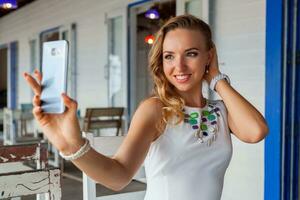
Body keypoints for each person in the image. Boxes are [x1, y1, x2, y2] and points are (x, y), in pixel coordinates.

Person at [23, 14, 268, 200]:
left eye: (191, 54)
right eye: (169, 56)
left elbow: (256, 131)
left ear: (209, 56)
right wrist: (71, 146)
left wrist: (216, 78)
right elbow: (118, 177)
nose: (179, 66)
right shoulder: (155, 109)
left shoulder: (221, 111)